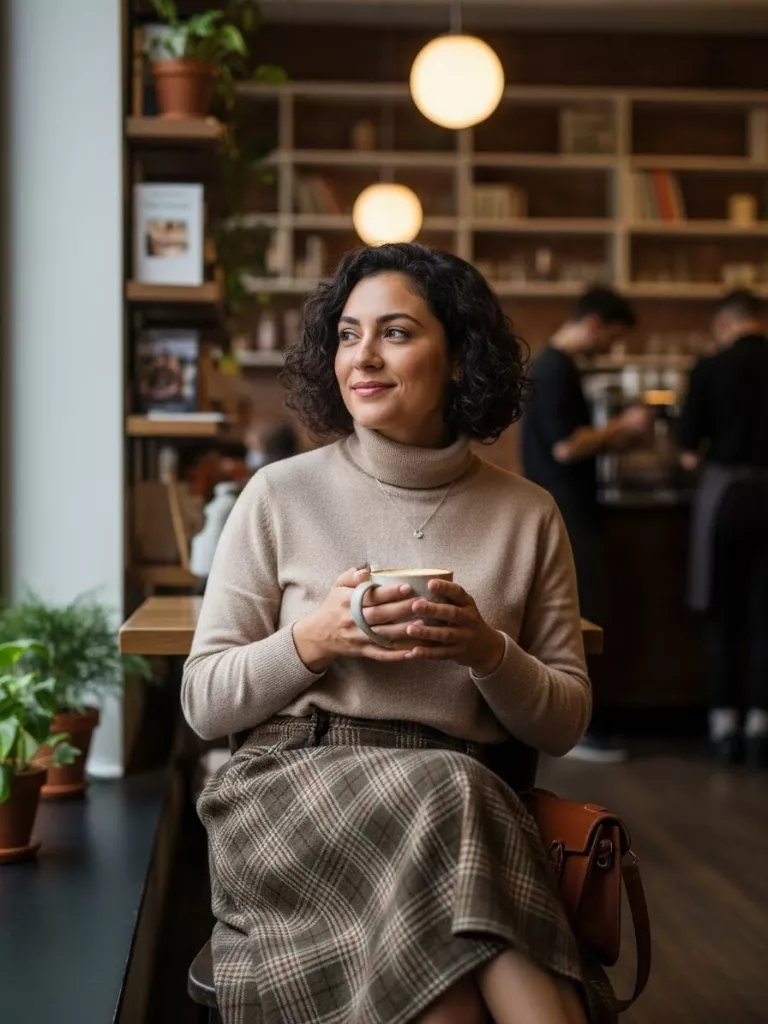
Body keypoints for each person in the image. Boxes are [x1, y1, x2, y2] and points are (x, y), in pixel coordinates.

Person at [182, 243, 615, 1024]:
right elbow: (204, 703)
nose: (363, 358)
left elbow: (565, 718)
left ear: (459, 358)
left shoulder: (527, 514)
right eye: (347, 335)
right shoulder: (279, 494)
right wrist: (314, 639)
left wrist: (487, 651)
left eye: (396, 333)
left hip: (460, 809)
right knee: (453, 799)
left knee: (446, 996)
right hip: (296, 793)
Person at [521, 287, 651, 763]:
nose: (612, 348)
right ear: (594, 323)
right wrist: (623, 428)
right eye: (613, 337)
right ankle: (579, 730)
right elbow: (566, 448)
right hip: (568, 508)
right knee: (583, 618)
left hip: (566, 504)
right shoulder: (556, 368)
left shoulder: (555, 366)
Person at [679, 289, 768, 768]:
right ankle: (760, 728)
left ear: (726, 323)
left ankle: (723, 727)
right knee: (764, 616)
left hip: (727, 499)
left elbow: (690, 454)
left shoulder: (710, 368)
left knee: (721, 612)